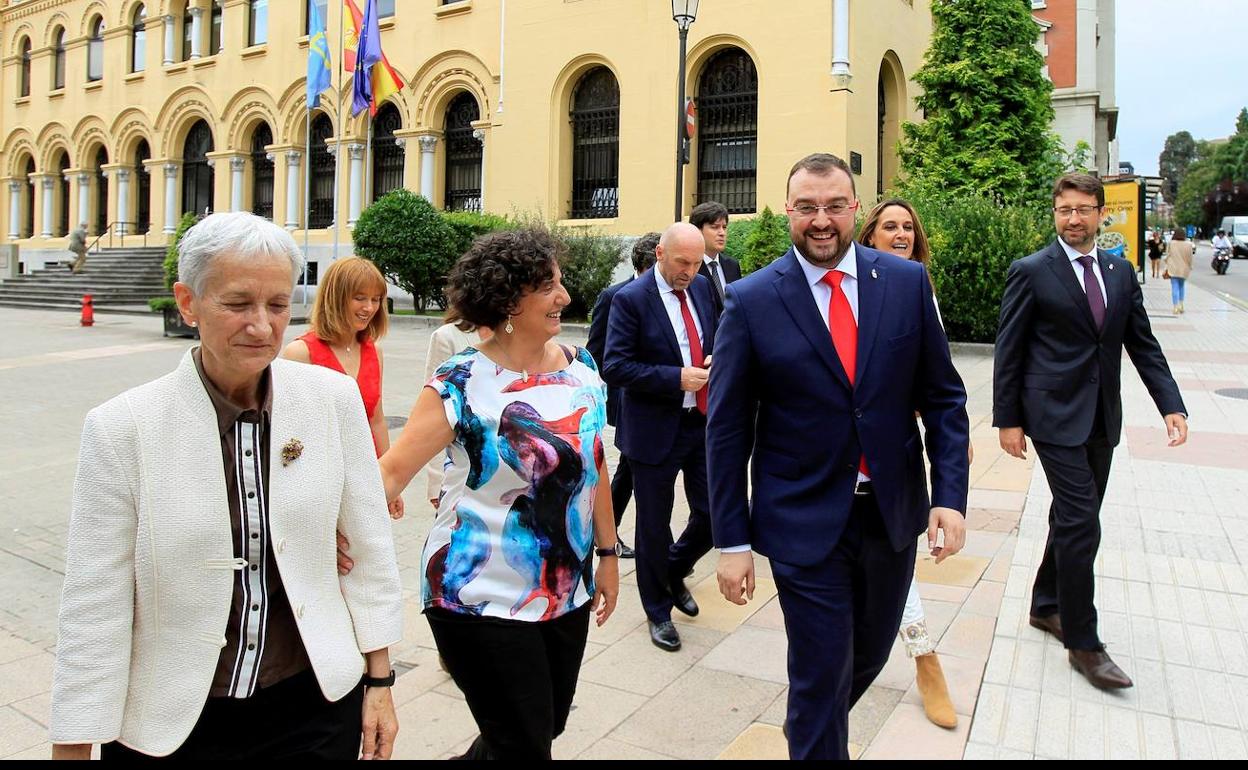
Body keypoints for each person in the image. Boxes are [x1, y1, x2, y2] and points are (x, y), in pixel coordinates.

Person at [50, 212, 404, 760]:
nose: (261, 326)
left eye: (278, 305)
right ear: (188, 302)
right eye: (238, 304)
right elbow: (95, 603)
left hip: (311, 702)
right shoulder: (123, 428)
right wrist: (73, 746)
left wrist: (380, 682)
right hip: (176, 721)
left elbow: (369, 549)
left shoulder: (331, 400)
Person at [708, 154, 970, 760]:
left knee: (870, 654)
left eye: (833, 206)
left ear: (855, 207)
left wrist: (950, 497)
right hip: (802, 519)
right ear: (786, 211)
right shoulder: (751, 301)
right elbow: (725, 431)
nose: (821, 221)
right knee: (822, 669)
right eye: (807, 208)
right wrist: (732, 541)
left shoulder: (905, 285)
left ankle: (808, 732)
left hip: (891, 515)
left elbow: (944, 398)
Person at [378, 228, 620, 759]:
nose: (565, 298)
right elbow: (391, 472)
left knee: (544, 726)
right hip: (475, 593)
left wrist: (607, 554)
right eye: (550, 288)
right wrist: (331, 531)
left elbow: (594, 465)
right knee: (525, 744)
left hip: (564, 587)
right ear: (510, 302)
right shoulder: (461, 381)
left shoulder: (582, 367)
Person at [994, 173, 1188, 691]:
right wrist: (1008, 420)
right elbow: (1009, 352)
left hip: (1102, 415)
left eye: (1083, 209)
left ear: (1101, 213)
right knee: (1083, 522)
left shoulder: (1121, 273)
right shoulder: (1032, 271)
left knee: (1074, 517)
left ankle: (1046, 603)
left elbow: (1141, 345)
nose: (1073, 218)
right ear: (1054, 213)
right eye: (1064, 210)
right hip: (1052, 416)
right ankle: (1084, 642)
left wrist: (1171, 405)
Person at [856, 197, 957, 730]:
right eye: (889, 226)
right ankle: (924, 656)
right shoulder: (852, 290)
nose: (900, 233)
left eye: (908, 227)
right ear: (869, 234)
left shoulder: (919, 289)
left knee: (897, 561)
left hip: (897, 458)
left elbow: (938, 383)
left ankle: (924, 659)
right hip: (845, 467)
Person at [603, 223, 718, 652]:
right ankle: (657, 611)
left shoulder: (704, 289)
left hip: (701, 422)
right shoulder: (630, 300)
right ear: (659, 254)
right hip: (653, 430)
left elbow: (717, 334)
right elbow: (614, 366)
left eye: (696, 263)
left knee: (714, 515)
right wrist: (676, 378)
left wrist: (714, 357)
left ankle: (672, 570)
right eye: (682, 263)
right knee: (654, 524)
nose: (690, 272)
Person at [282, 257, 402, 519]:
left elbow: (377, 420)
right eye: (359, 298)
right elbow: (288, 431)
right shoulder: (300, 353)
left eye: (376, 299)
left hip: (366, 479)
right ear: (336, 297)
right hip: (319, 486)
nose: (369, 307)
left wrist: (392, 480)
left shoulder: (374, 351)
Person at [586, 232, 660, 560]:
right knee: (629, 468)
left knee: (629, 469)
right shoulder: (614, 296)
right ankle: (607, 534)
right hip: (625, 398)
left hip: (659, 398)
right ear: (646, 265)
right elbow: (596, 351)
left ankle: (606, 532)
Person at [420, 314, 491, 510]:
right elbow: (434, 413)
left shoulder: (516, 334)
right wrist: (437, 481)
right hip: (461, 470)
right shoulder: (447, 337)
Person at [691, 201, 742, 314]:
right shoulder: (691, 268)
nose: (722, 233)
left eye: (724, 227)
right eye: (715, 227)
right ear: (698, 231)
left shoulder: (732, 265)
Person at [1165, 228, 1194, 313]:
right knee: (1181, 286)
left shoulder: (1171, 243)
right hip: (1184, 268)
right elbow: (1190, 257)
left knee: (1174, 287)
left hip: (1173, 268)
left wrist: (1166, 262)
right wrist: (1190, 266)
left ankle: (1175, 307)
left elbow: (1167, 255)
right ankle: (1181, 305)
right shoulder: (1189, 244)